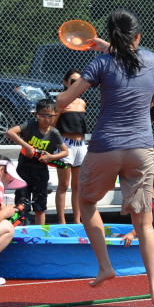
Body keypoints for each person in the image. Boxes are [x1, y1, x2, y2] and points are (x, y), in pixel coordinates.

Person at [55, 8, 154, 307]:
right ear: (138, 36)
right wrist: (109, 47)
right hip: (142, 149)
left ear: (110, 36)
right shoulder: (152, 61)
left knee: (86, 202)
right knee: (144, 224)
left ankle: (106, 266)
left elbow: (63, 100)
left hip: (106, 146)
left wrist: (62, 98)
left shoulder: (100, 64)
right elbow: (130, 56)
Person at [6, 98, 69, 225]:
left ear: (55, 116)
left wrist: (51, 157)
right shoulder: (30, 125)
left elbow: (65, 152)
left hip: (41, 172)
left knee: (40, 206)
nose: (47, 119)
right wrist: (27, 146)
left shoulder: (54, 133)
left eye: (51, 116)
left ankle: (40, 231)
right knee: (21, 204)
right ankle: (21, 229)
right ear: (36, 114)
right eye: (43, 115)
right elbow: (10, 132)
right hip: (23, 170)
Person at [53, 69, 89, 224]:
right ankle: (61, 221)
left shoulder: (82, 102)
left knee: (77, 185)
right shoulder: (61, 100)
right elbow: (53, 124)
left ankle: (77, 220)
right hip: (66, 145)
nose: (76, 84)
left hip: (81, 146)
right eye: (73, 81)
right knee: (64, 184)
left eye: (79, 81)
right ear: (65, 82)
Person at [0, 156, 26, 286]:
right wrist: (6, 213)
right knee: (7, 227)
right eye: (10, 177)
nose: (10, 181)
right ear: (1, 170)